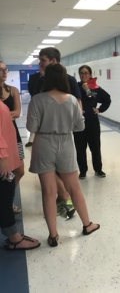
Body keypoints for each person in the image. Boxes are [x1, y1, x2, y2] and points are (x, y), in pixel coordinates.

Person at [27, 63, 100, 247]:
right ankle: (87, 224)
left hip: (43, 143)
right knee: (74, 188)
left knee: (49, 192)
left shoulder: (38, 99)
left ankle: (53, 235)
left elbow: (31, 127)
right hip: (66, 143)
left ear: (46, 78)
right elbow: (80, 126)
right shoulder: (72, 100)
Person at [28, 47, 80, 218]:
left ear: (54, 61)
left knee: (63, 173)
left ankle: (64, 199)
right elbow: (36, 104)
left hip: (64, 135)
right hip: (43, 134)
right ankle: (62, 199)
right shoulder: (35, 79)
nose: (40, 63)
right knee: (48, 173)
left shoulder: (70, 80)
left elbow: (76, 103)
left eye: (43, 60)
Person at [0, 100, 40, 251]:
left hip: (7, 155)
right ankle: (14, 238)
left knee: (5, 195)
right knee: (4, 197)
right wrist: (2, 156)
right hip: (3, 158)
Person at [74, 65, 111, 179]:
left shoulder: (95, 88)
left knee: (95, 147)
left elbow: (106, 99)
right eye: (81, 73)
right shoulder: (75, 87)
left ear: (90, 74)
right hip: (79, 122)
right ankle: (83, 171)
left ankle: (98, 169)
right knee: (80, 148)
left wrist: (99, 109)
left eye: (86, 73)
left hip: (92, 122)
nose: (84, 75)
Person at [0, 62, 24, 214]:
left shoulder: (13, 90)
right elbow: (11, 114)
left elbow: (17, 112)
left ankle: (7, 198)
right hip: (1, 138)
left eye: (5, 69)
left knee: (19, 170)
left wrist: (3, 115)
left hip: (14, 135)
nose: (4, 72)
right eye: (0, 70)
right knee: (4, 173)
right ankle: (6, 204)